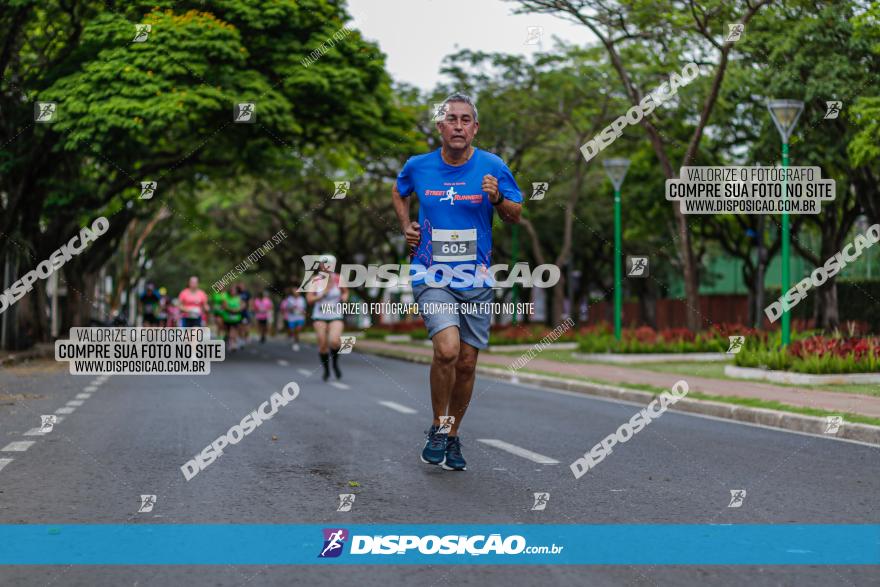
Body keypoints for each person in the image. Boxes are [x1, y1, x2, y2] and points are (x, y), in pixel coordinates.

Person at [392, 92, 522, 471]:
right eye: (452, 119)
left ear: (475, 128)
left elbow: (516, 214)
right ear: (440, 127)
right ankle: (436, 425)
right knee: (447, 350)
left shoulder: (493, 165)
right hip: (431, 273)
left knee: (466, 363)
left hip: (476, 277)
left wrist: (497, 199)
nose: (459, 125)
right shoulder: (418, 166)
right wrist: (406, 226)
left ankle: (451, 434)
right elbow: (399, 192)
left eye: (466, 119)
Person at [305, 255, 348, 381]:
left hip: (335, 315)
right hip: (319, 316)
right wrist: (322, 295)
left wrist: (344, 298)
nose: (325, 266)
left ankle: (335, 364)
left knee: (335, 341)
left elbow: (345, 291)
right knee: (323, 344)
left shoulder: (338, 278)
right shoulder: (315, 280)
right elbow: (309, 299)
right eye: (323, 264)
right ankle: (326, 369)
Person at [222, 284, 245, 350]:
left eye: (234, 291)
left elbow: (243, 305)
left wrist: (238, 309)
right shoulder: (226, 297)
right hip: (227, 317)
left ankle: (233, 344)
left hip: (236, 318)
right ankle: (230, 341)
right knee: (229, 331)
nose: (233, 292)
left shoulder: (239, 298)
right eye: (232, 291)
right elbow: (224, 305)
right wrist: (231, 309)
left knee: (234, 330)